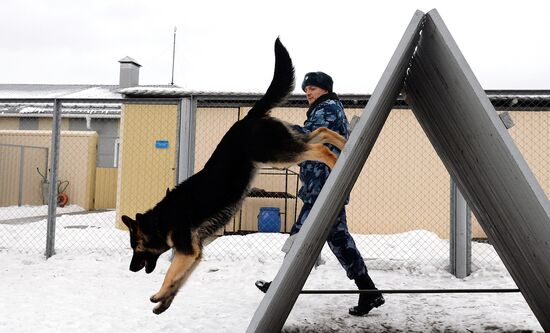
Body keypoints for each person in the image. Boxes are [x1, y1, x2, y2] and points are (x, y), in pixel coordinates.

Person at [255, 72, 385, 316]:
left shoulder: (328, 108)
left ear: (325, 89)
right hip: (323, 188)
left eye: (312, 88)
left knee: (299, 237)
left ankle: (279, 288)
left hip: (323, 189)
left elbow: (308, 137)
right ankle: (369, 291)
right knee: (339, 240)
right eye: (306, 89)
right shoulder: (324, 108)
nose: (308, 93)